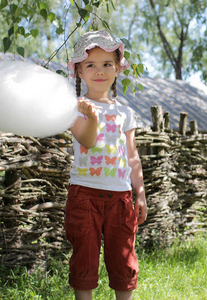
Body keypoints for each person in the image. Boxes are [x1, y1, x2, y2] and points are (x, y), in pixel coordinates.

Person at [64, 30, 147, 300]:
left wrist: (141, 194)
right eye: (91, 64)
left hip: (120, 198)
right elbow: (87, 140)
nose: (99, 71)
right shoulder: (75, 108)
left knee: (123, 261)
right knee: (85, 261)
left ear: (117, 69)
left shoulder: (125, 112)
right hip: (84, 195)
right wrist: (93, 118)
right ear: (78, 70)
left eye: (107, 64)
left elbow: (132, 156)